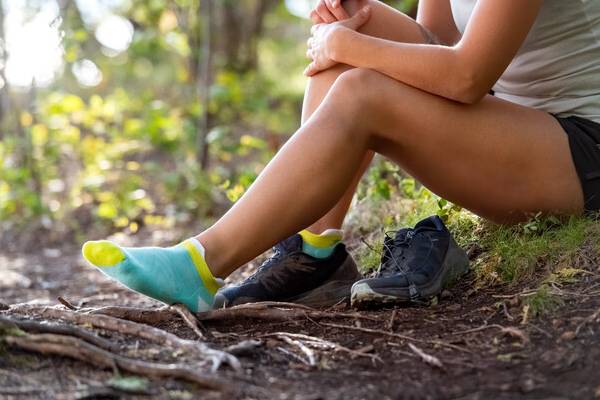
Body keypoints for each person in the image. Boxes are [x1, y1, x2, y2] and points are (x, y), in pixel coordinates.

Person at [81, 0, 600, 313]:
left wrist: (348, 46)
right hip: (513, 129)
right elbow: (438, 41)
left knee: (360, 88)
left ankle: (201, 262)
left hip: (578, 152)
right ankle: (315, 253)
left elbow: (465, 77)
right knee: (358, 27)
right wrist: (352, 28)